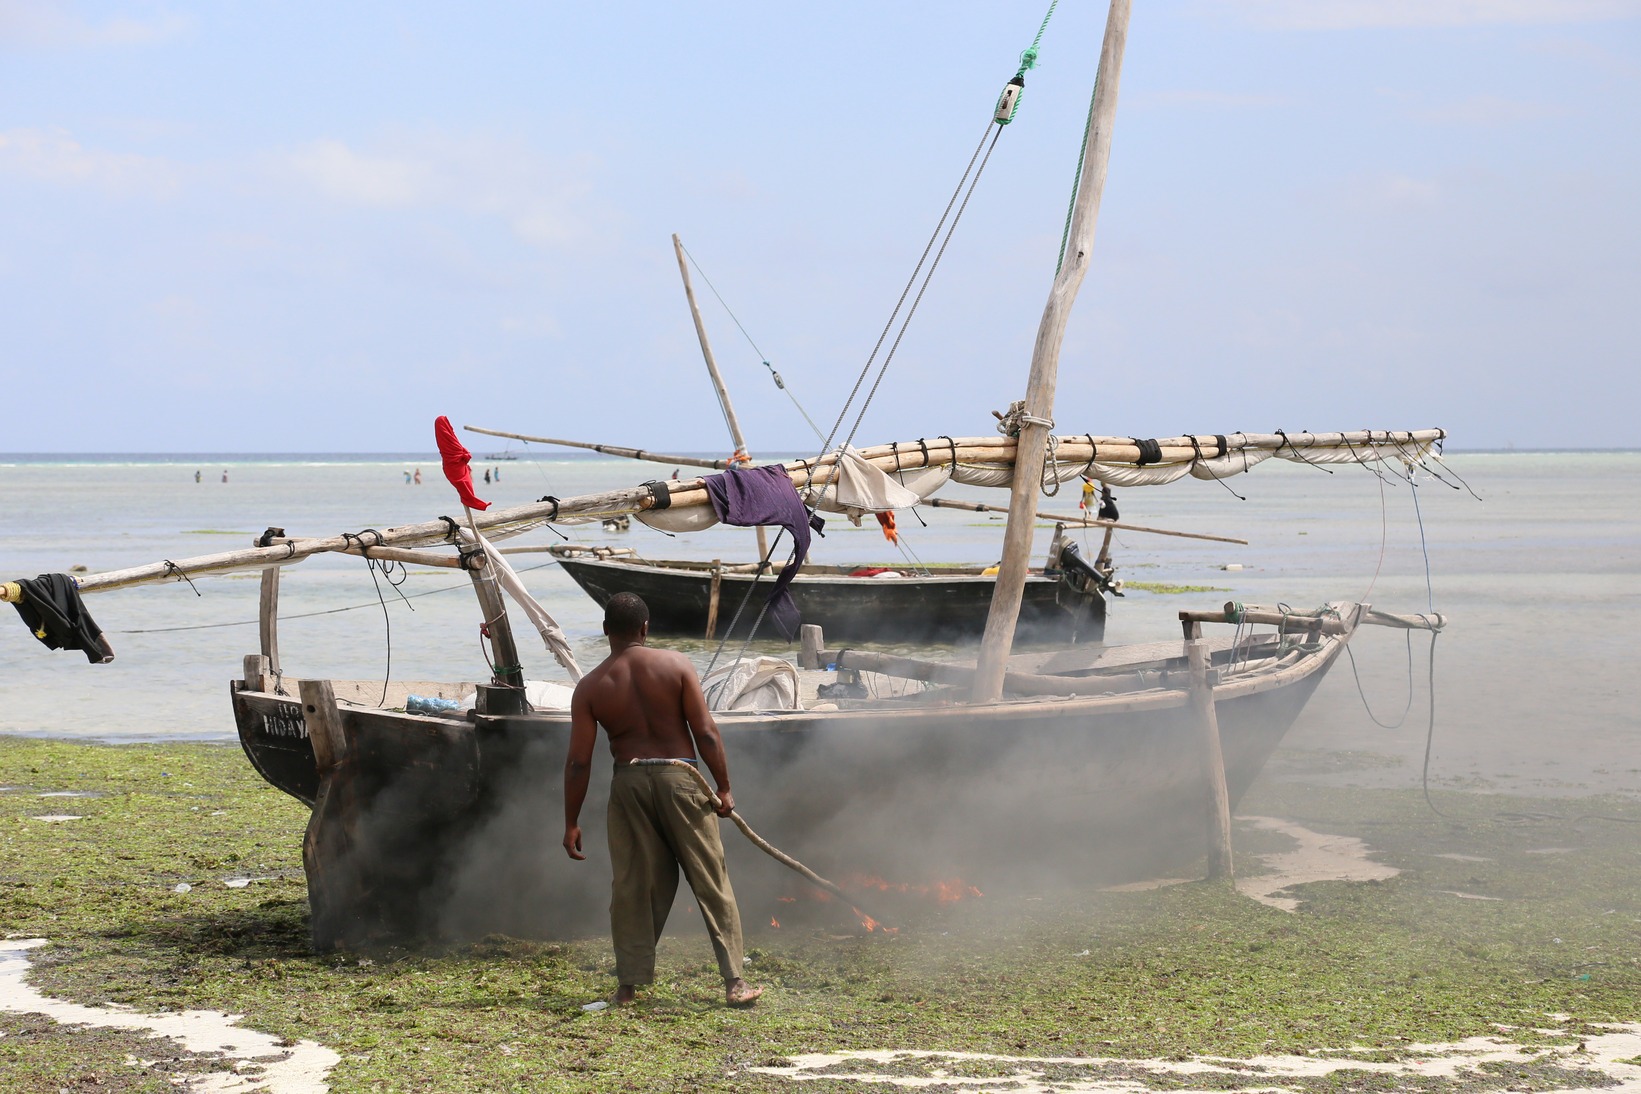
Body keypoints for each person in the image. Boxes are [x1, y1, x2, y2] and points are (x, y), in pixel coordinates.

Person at [563, 592, 762, 1008]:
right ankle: (735, 983)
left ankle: (628, 988)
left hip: (629, 784)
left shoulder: (591, 686)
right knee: (710, 879)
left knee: (633, 885)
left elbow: (579, 763)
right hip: (681, 778)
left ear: (605, 632)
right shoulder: (676, 665)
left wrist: (571, 821)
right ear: (646, 628)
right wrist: (724, 788)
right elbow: (705, 732)